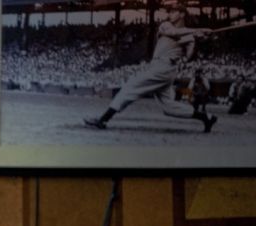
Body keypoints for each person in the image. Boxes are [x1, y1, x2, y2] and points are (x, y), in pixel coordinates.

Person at [84, 1, 218, 133]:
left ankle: (103, 120)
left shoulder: (189, 36)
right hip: (161, 68)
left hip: (165, 67)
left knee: (130, 86)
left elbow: (188, 56)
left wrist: (199, 39)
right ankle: (206, 117)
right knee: (169, 107)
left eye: (173, 11)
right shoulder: (165, 25)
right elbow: (174, 33)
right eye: (169, 12)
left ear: (182, 14)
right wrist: (197, 31)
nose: (170, 14)